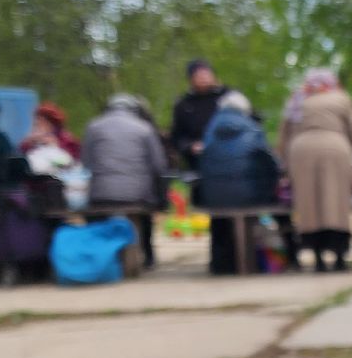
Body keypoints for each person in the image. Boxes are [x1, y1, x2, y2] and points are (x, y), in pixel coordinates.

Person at [280, 68, 352, 272]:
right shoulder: (340, 98)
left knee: (309, 205)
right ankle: (340, 256)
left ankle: (317, 257)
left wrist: (286, 162)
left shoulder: (296, 101)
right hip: (335, 148)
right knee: (336, 203)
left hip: (301, 151)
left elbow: (284, 135)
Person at [195, 90, 280, 275]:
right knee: (253, 204)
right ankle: (251, 262)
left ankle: (221, 264)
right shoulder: (253, 128)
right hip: (248, 195)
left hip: (213, 196)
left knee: (219, 220)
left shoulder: (209, 131)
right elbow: (270, 164)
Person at [83, 94, 168, 268]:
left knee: (93, 214)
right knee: (145, 212)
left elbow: (86, 162)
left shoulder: (93, 127)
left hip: (101, 193)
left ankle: (103, 259)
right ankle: (148, 255)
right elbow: (159, 165)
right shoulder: (144, 128)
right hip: (137, 194)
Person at [167, 59, 226, 171]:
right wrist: (190, 146)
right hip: (198, 165)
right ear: (191, 79)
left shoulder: (228, 97)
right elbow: (176, 137)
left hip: (228, 160)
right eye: (198, 75)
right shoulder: (184, 105)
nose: (203, 78)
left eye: (206, 73)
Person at [20, 102, 80, 172]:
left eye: (41, 121)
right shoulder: (32, 139)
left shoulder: (66, 139)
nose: (37, 124)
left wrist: (55, 145)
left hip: (60, 178)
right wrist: (30, 142)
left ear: (51, 123)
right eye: (36, 122)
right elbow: (21, 154)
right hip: (35, 177)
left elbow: (72, 161)